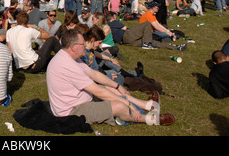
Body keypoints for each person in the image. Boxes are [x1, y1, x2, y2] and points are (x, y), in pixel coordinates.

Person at [46, 29, 176, 126]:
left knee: (111, 89)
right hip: (72, 112)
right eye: (82, 44)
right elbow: (97, 91)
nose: (85, 47)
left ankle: (147, 105)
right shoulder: (67, 65)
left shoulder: (71, 57)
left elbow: (93, 74)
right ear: (73, 47)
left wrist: (117, 86)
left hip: (80, 99)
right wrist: (128, 104)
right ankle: (150, 119)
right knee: (119, 106)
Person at [107, 11, 185, 51]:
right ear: (111, 19)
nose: (116, 19)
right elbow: (125, 27)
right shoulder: (112, 23)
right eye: (114, 18)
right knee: (147, 24)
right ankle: (147, 44)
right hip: (127, 36)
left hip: (125, 42)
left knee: (152, 42)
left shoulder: (107, 29)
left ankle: (176, 48)